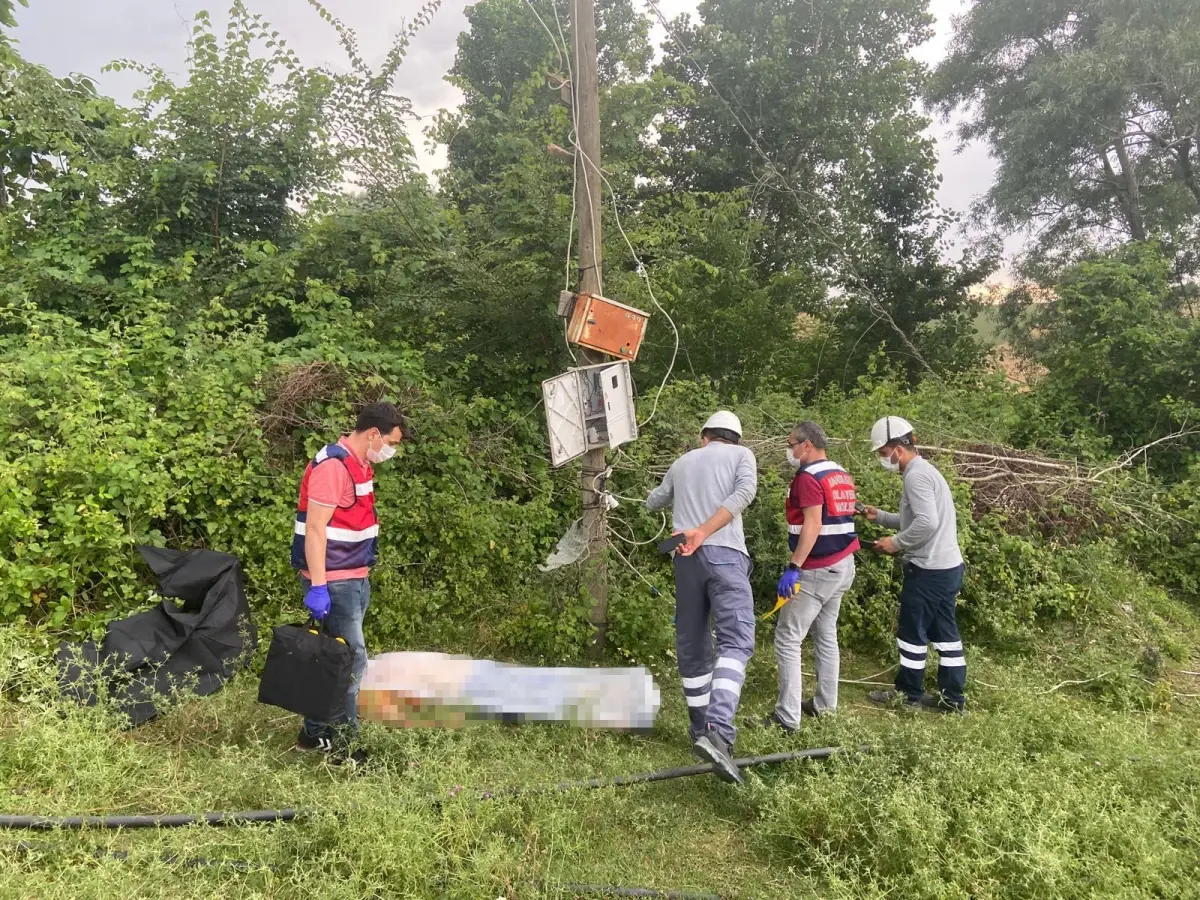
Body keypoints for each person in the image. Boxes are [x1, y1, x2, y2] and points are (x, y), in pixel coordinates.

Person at [291, 401, 411, 764]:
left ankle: (312, 735)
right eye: (391, 442)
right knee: (352, 661)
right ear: (374, 434)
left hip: (355, 576)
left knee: (334, 660)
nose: (392, 450)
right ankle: (346, 749)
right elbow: (315, 528)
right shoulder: (333, 466)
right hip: (335, 581)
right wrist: (318, 586)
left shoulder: (359, 464)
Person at [646, 410, 758, 784]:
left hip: (686, 562)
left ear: (703, 435)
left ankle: (699, 732)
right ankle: (718, 731)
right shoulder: (742, 456)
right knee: (736, 641)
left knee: (694, 644)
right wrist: (705, 531)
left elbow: (654, 501)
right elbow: (745, 493)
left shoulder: (682, 462)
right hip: (725, 553)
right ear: (735, 438)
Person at [860, 415, 967, 712]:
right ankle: (952, 699)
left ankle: (909, 695)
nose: (884, 459)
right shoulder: (925, 471)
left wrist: (895, 543)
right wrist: (879, 516)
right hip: (947, 568)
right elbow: (915, 520)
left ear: (897, 448)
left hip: (929, 571)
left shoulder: (915, 475)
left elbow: (927, 522)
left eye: (883, 453)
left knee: (911, 634)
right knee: (945, 636)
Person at [764, 421, 859, 734]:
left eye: (792, 443)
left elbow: (813, 524)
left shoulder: (807, 476)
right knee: (825, 634)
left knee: (788, 637)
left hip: (817, 568)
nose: (789, 449)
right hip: (843, 564)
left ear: (806, 445)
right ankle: (825, 707)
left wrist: (794, 567)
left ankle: (787, 718)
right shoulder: (839, 472)